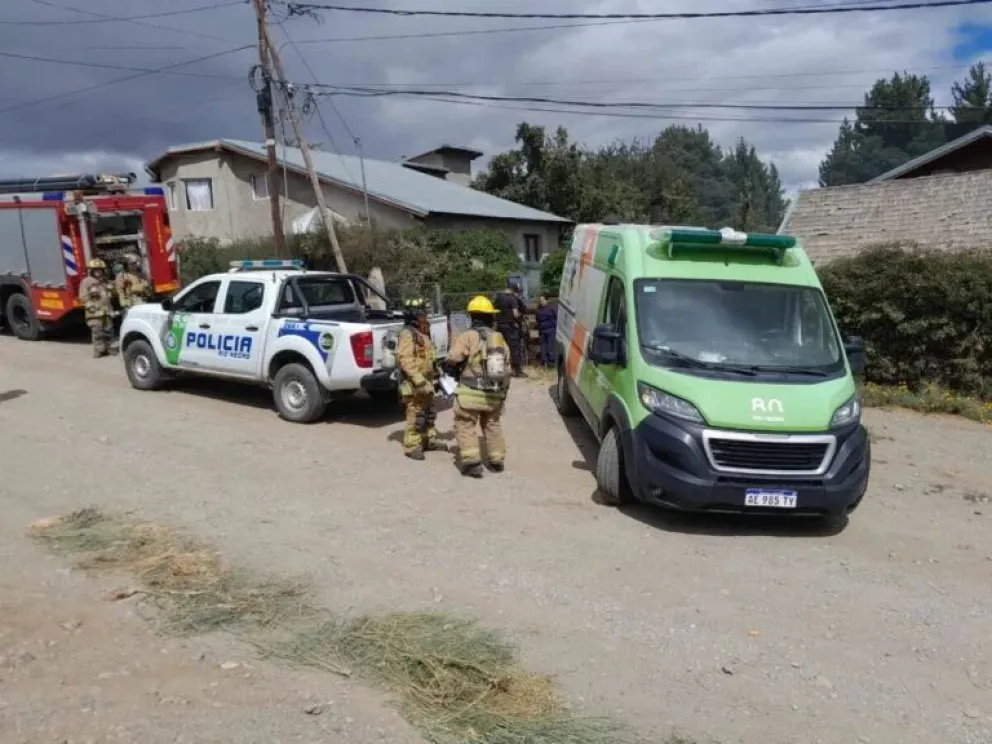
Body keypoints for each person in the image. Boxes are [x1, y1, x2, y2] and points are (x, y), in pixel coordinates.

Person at [442, 295, 512, 478]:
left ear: (472, 316)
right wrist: (503, 392)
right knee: (492, 424)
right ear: (491, 316)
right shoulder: (499, 339)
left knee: (465, 424)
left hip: (470, 393)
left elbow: (454, 357)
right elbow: (507, 367)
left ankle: (473, 463)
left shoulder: (467, 336)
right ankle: (497, 461)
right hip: (493, 393)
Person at [395, 297, 445, 460]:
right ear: (414, 315)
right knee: (416, 413)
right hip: (415, 382)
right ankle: (412, 446)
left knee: (429, 412)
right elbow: (406, 359)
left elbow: (429, 356)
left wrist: (437, 375)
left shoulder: (422, 332)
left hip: (427, 379)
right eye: (423, 313)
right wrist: (418, 380)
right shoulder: (407, 334)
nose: (426, 316)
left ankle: (428, 440)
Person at [78, 258, 118, 358]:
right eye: (95, 270)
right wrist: (91, 304)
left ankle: (110, 348)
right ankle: (99, 350)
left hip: (107, 311)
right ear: (91, 271)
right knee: (97, 332)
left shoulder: (106, 281)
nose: (98, 272)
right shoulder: (86, 282)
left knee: (109, 331)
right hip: (94, 313)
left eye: (100, 270)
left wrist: (112, 289)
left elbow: (114, 293)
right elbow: (82, 296)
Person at [494, 279, 527, 377]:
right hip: (511, 327)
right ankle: (517, 370)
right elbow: (515, 314)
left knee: (501, 348)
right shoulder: (512, 299)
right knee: (514, 348)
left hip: (500, 326)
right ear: (514, 290)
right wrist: (521, 317)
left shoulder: (498, 298)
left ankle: (501, 369)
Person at [535, 295, 557, 368]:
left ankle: (547, 362)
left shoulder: (539, 310)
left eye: (542, 300)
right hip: (547, 329)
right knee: (546, 346)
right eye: (540, 301)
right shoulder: (551, 309)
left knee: (548, 346)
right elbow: (556, 317)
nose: (541, 302)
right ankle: (548, 362)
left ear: (546, 300)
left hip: (547, 329)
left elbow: (537, 320)